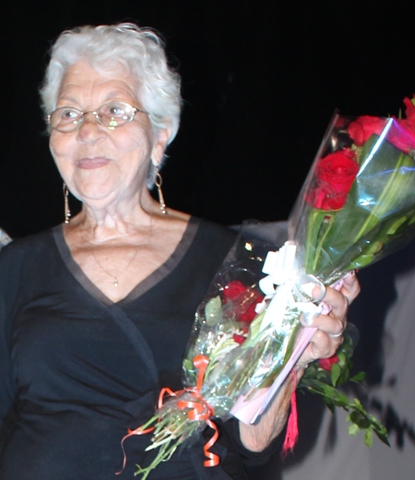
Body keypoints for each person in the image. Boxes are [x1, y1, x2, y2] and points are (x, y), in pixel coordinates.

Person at [0, 23, 360, 480]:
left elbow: (251, 444)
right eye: (68, 114)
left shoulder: (235, 259)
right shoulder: (14, 269)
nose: (88, 131)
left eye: (114, 110)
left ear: (161, 133)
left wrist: (298, 350)